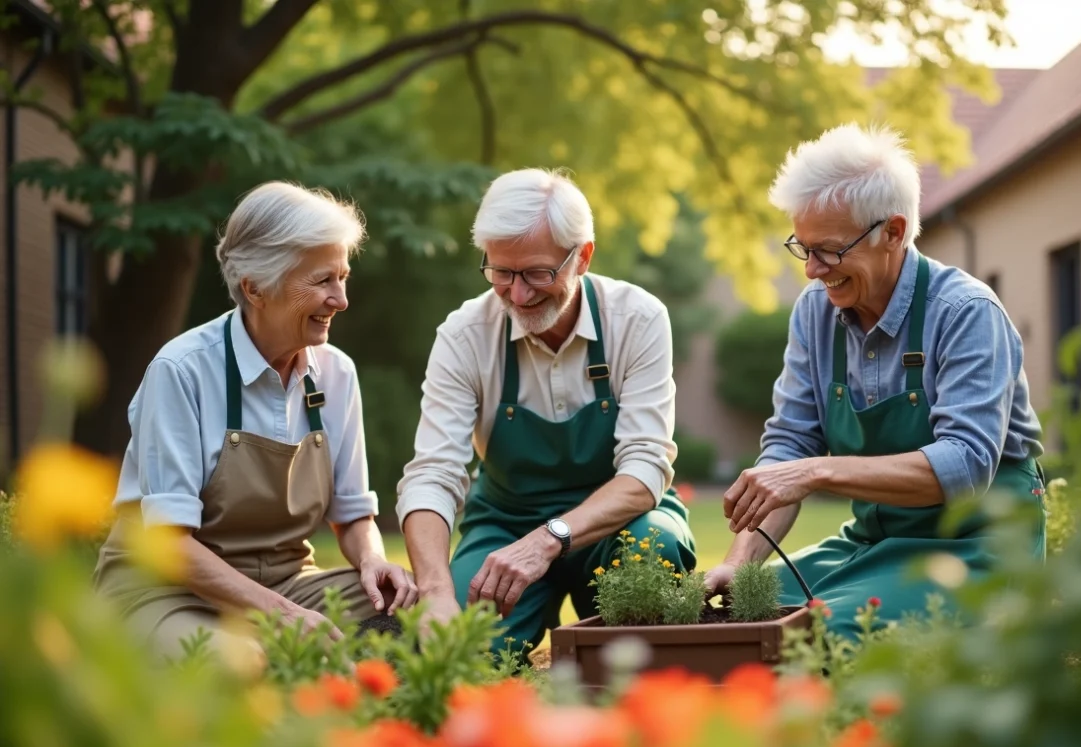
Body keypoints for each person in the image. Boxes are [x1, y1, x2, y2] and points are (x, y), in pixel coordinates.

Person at [709, 123, 1047, 637]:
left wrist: (817, 474)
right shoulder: (814, 315)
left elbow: (966, 464)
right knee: (735, 614)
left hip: (975, 550)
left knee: (810, 633)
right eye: (802, 248)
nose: (812, 271)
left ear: (892, 231)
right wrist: (741, 562)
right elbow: (790, 448)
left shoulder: (965, 312)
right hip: (872, 544)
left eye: (828, 250)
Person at [94, 181, 417, 660]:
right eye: (323, 280)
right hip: (166, 590)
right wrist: (283, 616)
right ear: (255, 287)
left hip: (286, 585)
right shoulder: (182, 371)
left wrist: (372, 559)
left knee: (418, 615)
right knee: (238, 666)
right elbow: (170, 546)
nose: (341, 299)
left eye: (343, 276)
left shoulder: (336, 372)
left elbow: (352, 515)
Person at [396, 168, 697, 656]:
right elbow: (433, 474)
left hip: (619, 523)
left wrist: (549, 540)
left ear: (583, 256)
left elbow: (645, 471)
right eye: (501, 272)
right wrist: (434, 592)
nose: (518, 295)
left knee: (655, 550)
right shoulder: (463, 336)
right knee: (462, 646)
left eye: (538, 273)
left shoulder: (638, 318)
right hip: (505, 524)